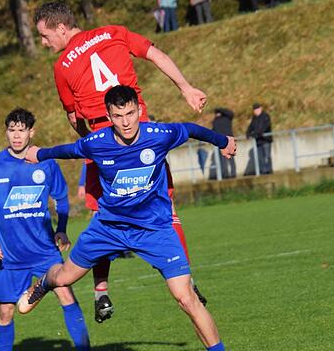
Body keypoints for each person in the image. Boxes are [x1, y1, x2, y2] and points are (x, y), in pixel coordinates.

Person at [18, 85, 236, 351]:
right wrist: (38, 154)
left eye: (130, 113)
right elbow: (68, 151)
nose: (126, 122)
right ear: (109, 117)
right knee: (63, 278)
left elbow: (191, 129)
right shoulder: (97, 143)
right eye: (118, 116)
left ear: (139, 110)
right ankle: (42, 284)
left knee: (186, 298)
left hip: (154, 229)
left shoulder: (159, 135)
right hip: (108, 228)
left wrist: (223, 141)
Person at [33, 1, 208, 323]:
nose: (44, 43)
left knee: (103, 214)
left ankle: (101, 292)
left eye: (44, 36)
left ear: (60, 29)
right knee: (165, 208)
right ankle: (188, 280)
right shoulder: (114, 32)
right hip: (140, 129)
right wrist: (186, 88)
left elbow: (74, 117)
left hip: (103, 138)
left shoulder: (62, 66)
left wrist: (90, 142)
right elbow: (156, 55)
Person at [0, 108, 90, 351]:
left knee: (66, 294)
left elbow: (61, 199)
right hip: (10, 255)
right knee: (5, 312)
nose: (16, 136)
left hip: (45, 251)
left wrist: (62, 229)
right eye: (12, 130)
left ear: (31, 132)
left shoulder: (45, 163)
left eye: (21, 130)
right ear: (6, 132)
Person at [246, 103, 273, 175]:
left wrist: (259, 133)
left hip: (266, 139)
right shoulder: (254, 118)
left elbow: (266, 126)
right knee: (260, 157)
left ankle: (268, 170)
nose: (256, 111)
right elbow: (250, 126)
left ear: (260, 108)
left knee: (267, 156)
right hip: (258, 140)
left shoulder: (265, 116)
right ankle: (263, 170)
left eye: (257, 109)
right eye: (254, 110)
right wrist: (248, 133)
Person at [212, 107, 236, 179]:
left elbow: (231, 113)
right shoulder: (217, 121)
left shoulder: (226, 118)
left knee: (228, 158)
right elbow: (214, 131)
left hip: (227, 142)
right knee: (225, 159)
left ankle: (231, 173)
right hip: (223, 142)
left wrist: (221, 110)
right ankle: (227, 174)